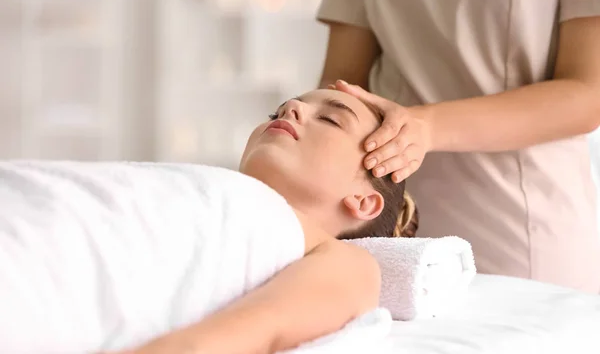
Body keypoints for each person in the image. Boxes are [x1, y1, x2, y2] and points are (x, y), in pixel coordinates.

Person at [0, 90, 416, 354]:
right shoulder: (204, 190)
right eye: (283, 107)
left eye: (330, 118)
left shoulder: (340, 258)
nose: (293, 107)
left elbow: (255, 332)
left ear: (363, 201)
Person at [316, 0, 600, 293]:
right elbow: (343, 82)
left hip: (518, 230)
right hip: (384, 223)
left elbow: (588, 95)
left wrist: (425, 127)